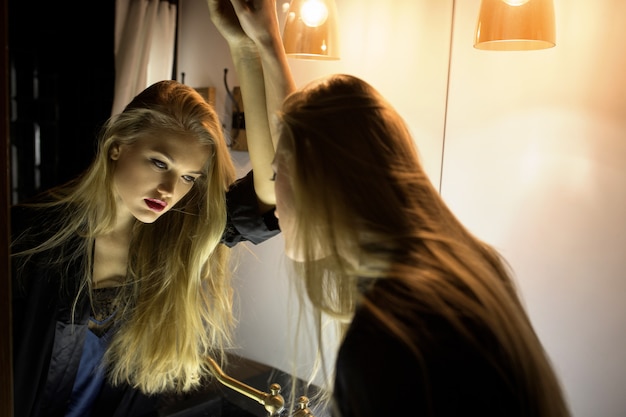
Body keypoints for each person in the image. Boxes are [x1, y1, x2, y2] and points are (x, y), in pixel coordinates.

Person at [210, 1, 572, 416]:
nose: (272, 200)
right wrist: (263, 44)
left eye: (276, 174)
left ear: (318, 181)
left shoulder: (387, 338)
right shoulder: (464, 266)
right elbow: (309, 140)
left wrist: (263, 45)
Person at [11, 77, 280, 415]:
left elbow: (273, 195)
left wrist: (253, 49)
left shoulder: (179, 238)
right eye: (159, 162)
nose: (168, 190)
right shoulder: (31, 234)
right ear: (117, 146)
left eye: (188, 177)